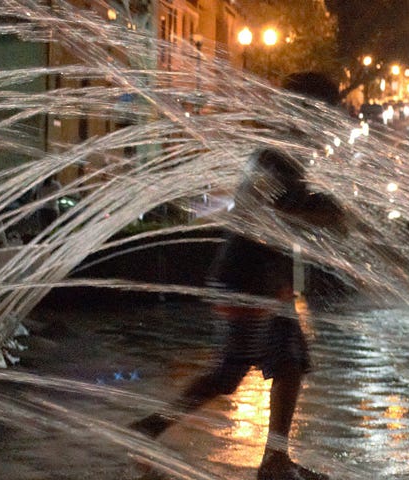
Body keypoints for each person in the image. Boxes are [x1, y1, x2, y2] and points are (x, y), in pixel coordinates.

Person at [129, 72, 349, 480]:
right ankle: (275, 462)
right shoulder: (277, 155)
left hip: (247, 278)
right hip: (251, 281)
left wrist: (324, 211)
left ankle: (149, 428)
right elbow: (253, 212)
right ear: (310, 112)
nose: (334, 121)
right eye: (330, 112)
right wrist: (324, 212)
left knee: (230, 374)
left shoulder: (285, 153)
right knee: (290, 360)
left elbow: (276, 210)